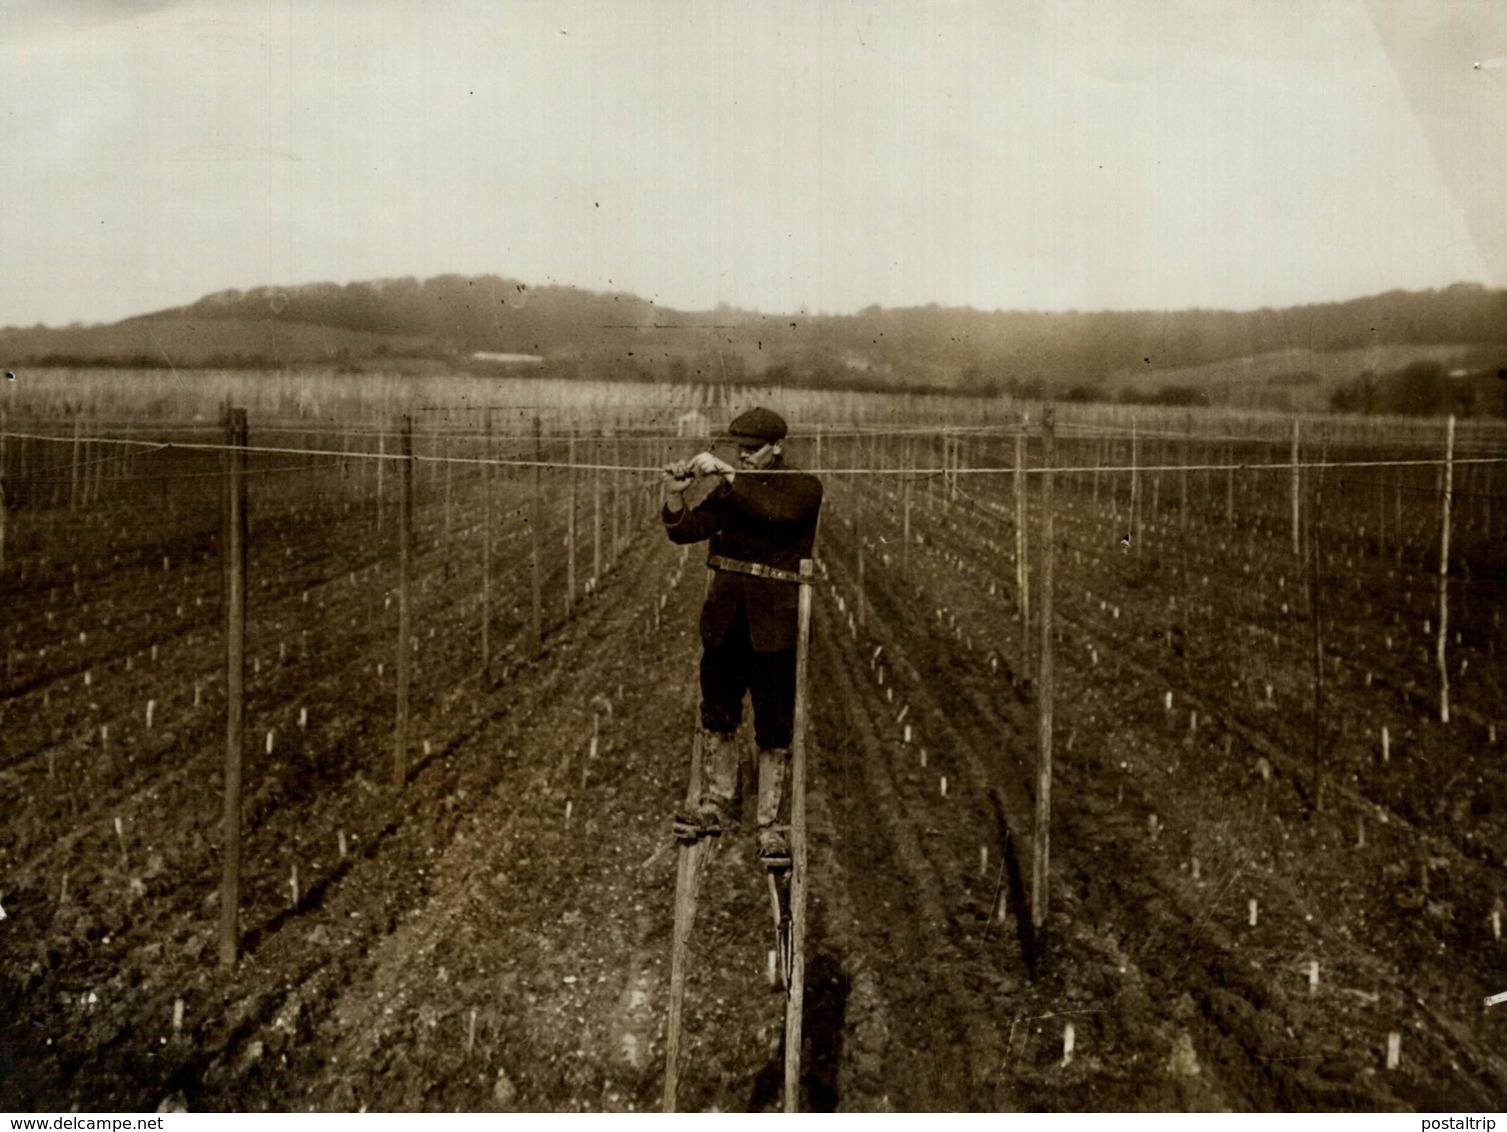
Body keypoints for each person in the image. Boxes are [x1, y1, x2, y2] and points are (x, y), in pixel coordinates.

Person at [661, 406, 823, 866]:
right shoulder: (733, 491)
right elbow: (688, 531)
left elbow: (776, 514)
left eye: (753, 450)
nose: (745, 457)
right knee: (718, 711)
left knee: (773, 724)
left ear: (778, 448)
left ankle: (769, 824)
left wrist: (731, 476)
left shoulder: (803, 488)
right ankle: (715, 803)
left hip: (774, 621)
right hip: (726, 616)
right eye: (740, 450)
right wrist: (675, 497)